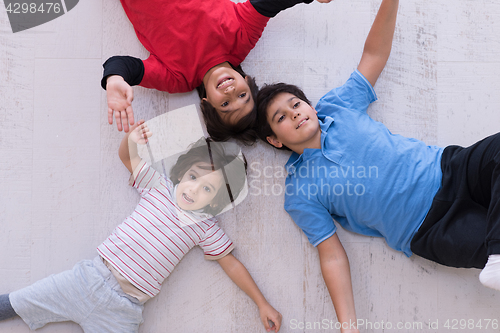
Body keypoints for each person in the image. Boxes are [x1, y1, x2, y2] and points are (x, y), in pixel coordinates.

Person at [256, 0, 500, 330]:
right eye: (281, 117)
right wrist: (348, 325)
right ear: (275, 140)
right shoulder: (299, 192)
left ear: (310, 105)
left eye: (296, 104)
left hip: (453, 169)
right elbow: (331, 254)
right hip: (428, 228)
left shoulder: (337, 107)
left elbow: (373, 56)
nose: (295, 113)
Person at [0, 121, 282, 332]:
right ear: (183, 170)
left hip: (125, 307)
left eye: (207, 188)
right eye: (193, 176)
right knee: (22, 300)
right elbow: (126, 157)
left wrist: (262, 303)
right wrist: (130, 140)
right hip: (87, 279)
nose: (194, 188)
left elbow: (231, 264)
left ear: (217, 201)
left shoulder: (206, 227)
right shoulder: (159, 187)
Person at [102, 0, 332, 143]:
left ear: (206, 102)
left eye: (225, 104)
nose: (231, 92)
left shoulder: (177, 78)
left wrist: (114, 79)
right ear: (247, 80)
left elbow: (125, 66)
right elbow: (269, 4)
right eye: (242, 96)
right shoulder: (241, 40)